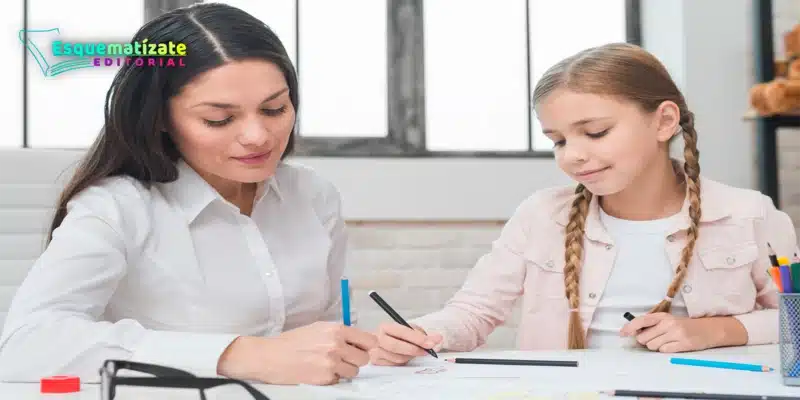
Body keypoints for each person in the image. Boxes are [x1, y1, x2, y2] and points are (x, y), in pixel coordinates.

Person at [0, 3, 376, 386]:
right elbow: (23, 345)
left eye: (274, 109)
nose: (258, 136)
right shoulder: (116, 208)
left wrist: (368, 349)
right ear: (160, 118)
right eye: (219, 119)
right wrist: (238, 355)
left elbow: (329, 329)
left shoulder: (313, 195)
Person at [369, 42, 798, 366]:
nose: (572, 155)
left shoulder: (749, 214)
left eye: (595, 133)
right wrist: (424, 333)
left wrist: (714, 331)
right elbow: (474, 311)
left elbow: (795, 318)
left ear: (664, 121)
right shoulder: (540, 216)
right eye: (558, 140)